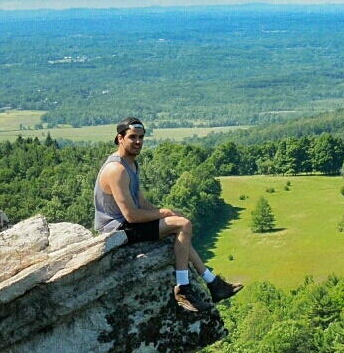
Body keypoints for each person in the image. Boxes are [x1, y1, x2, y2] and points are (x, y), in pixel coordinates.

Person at [95, 117, 240, 312]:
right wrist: (164, 214)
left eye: (141, 137)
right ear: (120, 138)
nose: (138, 141)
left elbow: (141, 202)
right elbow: (131, 216)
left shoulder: (131, 165)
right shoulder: (117, 169)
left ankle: (213, 283)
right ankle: (183, 288)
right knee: (183, 225)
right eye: (132, 137)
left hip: (126, 225)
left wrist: (166, 215)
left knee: (179, 224)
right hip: (115, 231)